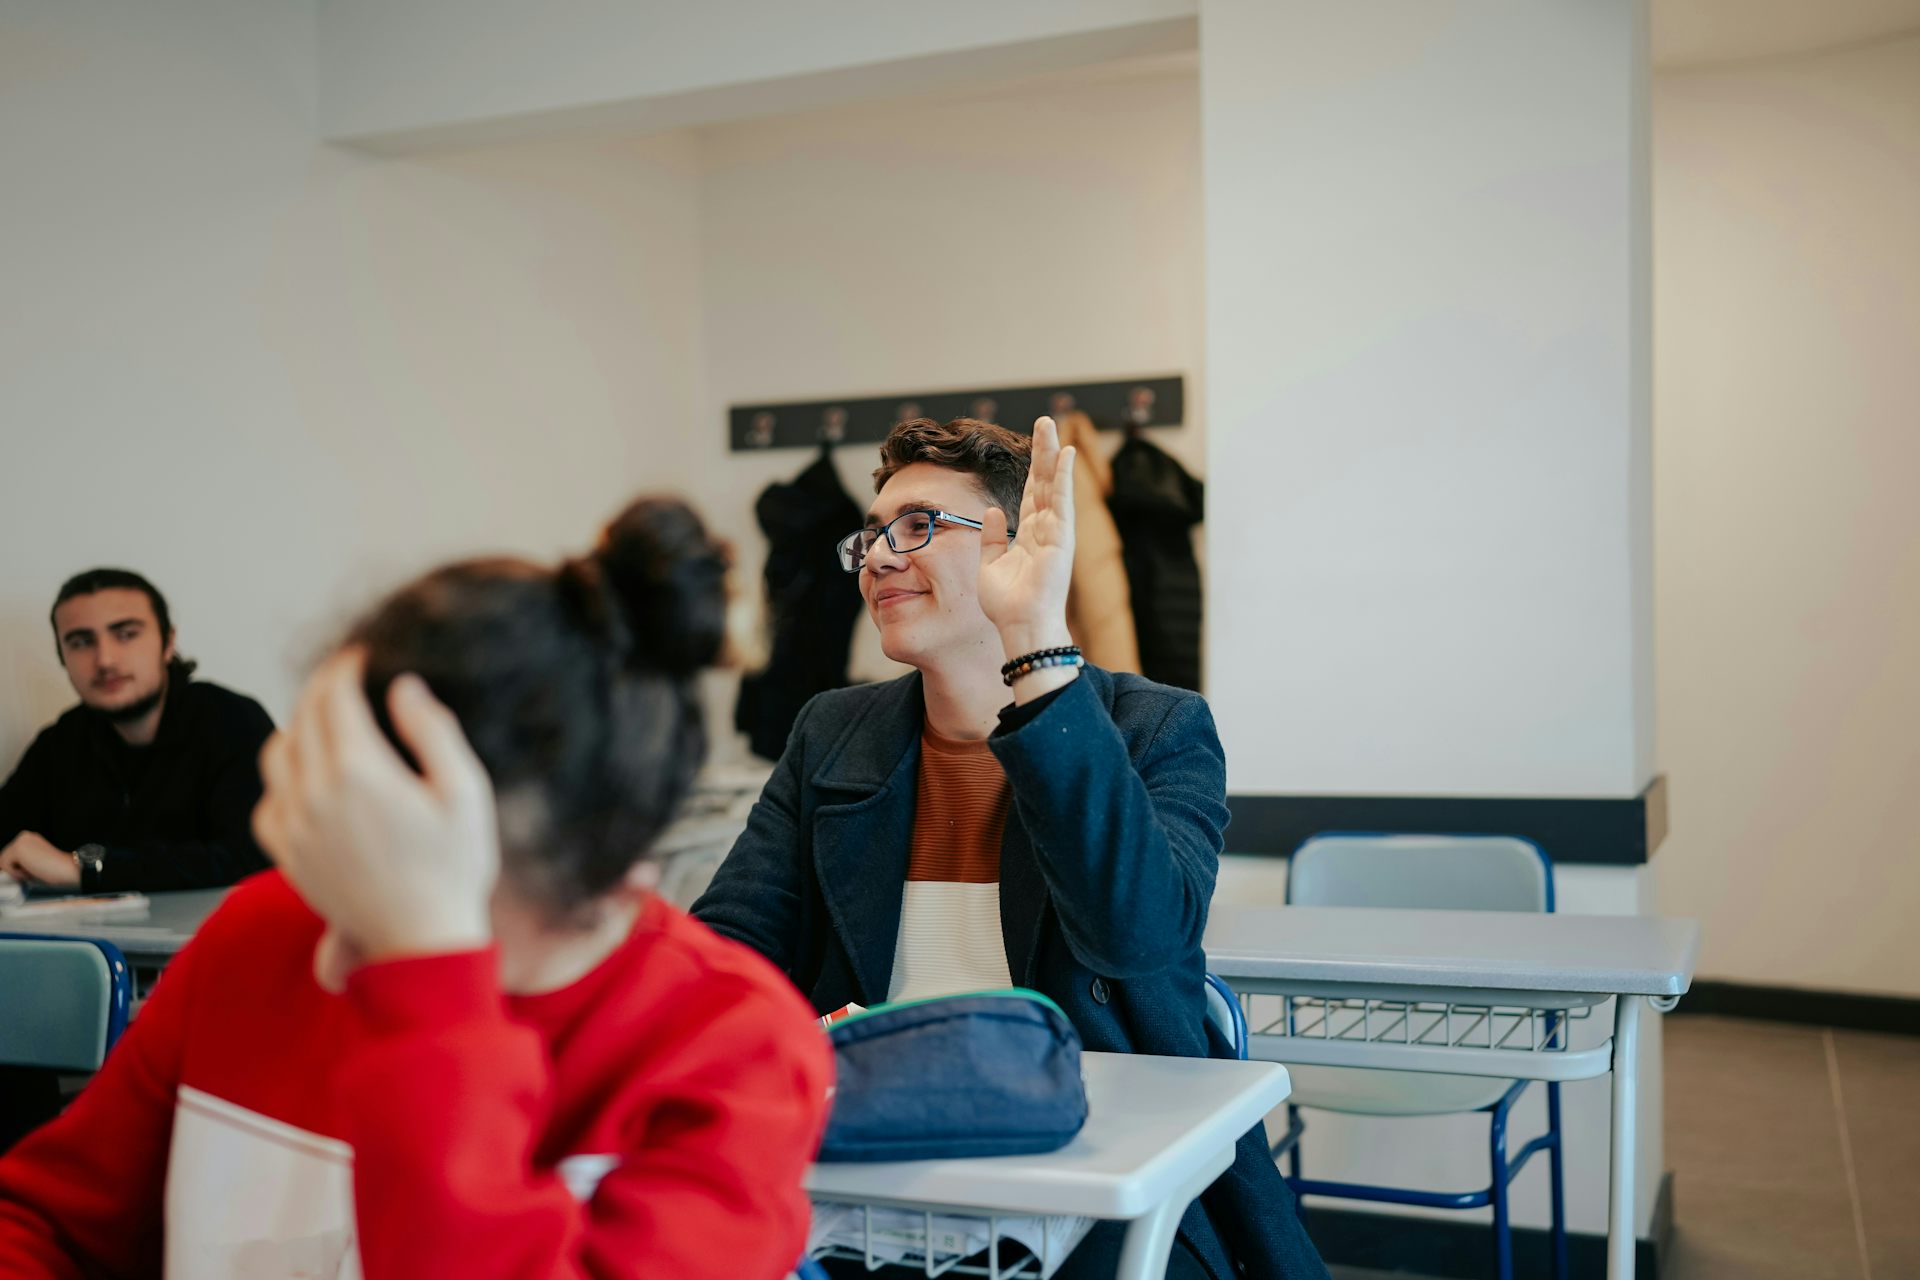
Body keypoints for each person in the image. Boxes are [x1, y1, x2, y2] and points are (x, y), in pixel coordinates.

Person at [0, 498, 834, 1280]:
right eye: (346, 873)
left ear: (615, 888)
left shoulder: (732, 1050)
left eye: (418, 902)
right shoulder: (260, 929)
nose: (333, 960)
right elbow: (45, 1223)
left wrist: (428, 984)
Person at [693, 418, 1328, 1279]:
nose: (878, 559)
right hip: (868, 1164)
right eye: (871, 536)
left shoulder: (1157, 727)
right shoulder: (831, 731)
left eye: (918, 526)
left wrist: (1035, 641)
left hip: (1089, 1169)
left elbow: (1136, 938)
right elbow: (731, 948)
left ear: (1017, 544)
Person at [0, 568, 273, 892]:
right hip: (86, 927)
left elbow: (255, 857)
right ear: (63, 657)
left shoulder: (233, 721)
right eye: (81, 642)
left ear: (168, 643)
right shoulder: (60, 743)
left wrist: (86, 869)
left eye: (126, 634)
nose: (105, 660)